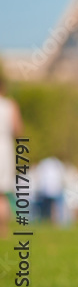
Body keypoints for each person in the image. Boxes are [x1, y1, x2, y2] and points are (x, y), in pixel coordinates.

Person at [0, 72, 24, 238]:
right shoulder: (10, 105)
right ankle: (2, 230)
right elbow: (18, 130)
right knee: (2, 194)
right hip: (4, 149)